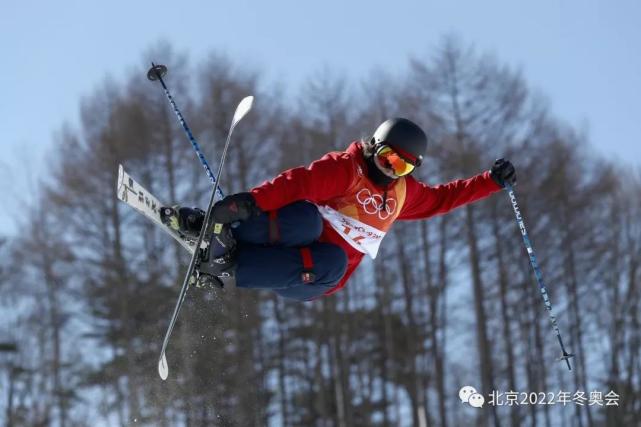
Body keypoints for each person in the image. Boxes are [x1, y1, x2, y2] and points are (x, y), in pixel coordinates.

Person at [161, 118, 515, 301]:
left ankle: (227, 266)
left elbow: (442, 199)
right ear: (373, 146)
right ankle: (218, 231)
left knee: (335, 261)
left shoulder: (402, 194)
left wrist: (491, 182)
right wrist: (245, 204)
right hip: (287, 236)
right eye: (387, 158)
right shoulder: (347, 170)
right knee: (307, 219)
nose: (391, 169)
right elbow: (296, 183)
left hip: (313, 276)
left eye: (403, 166)